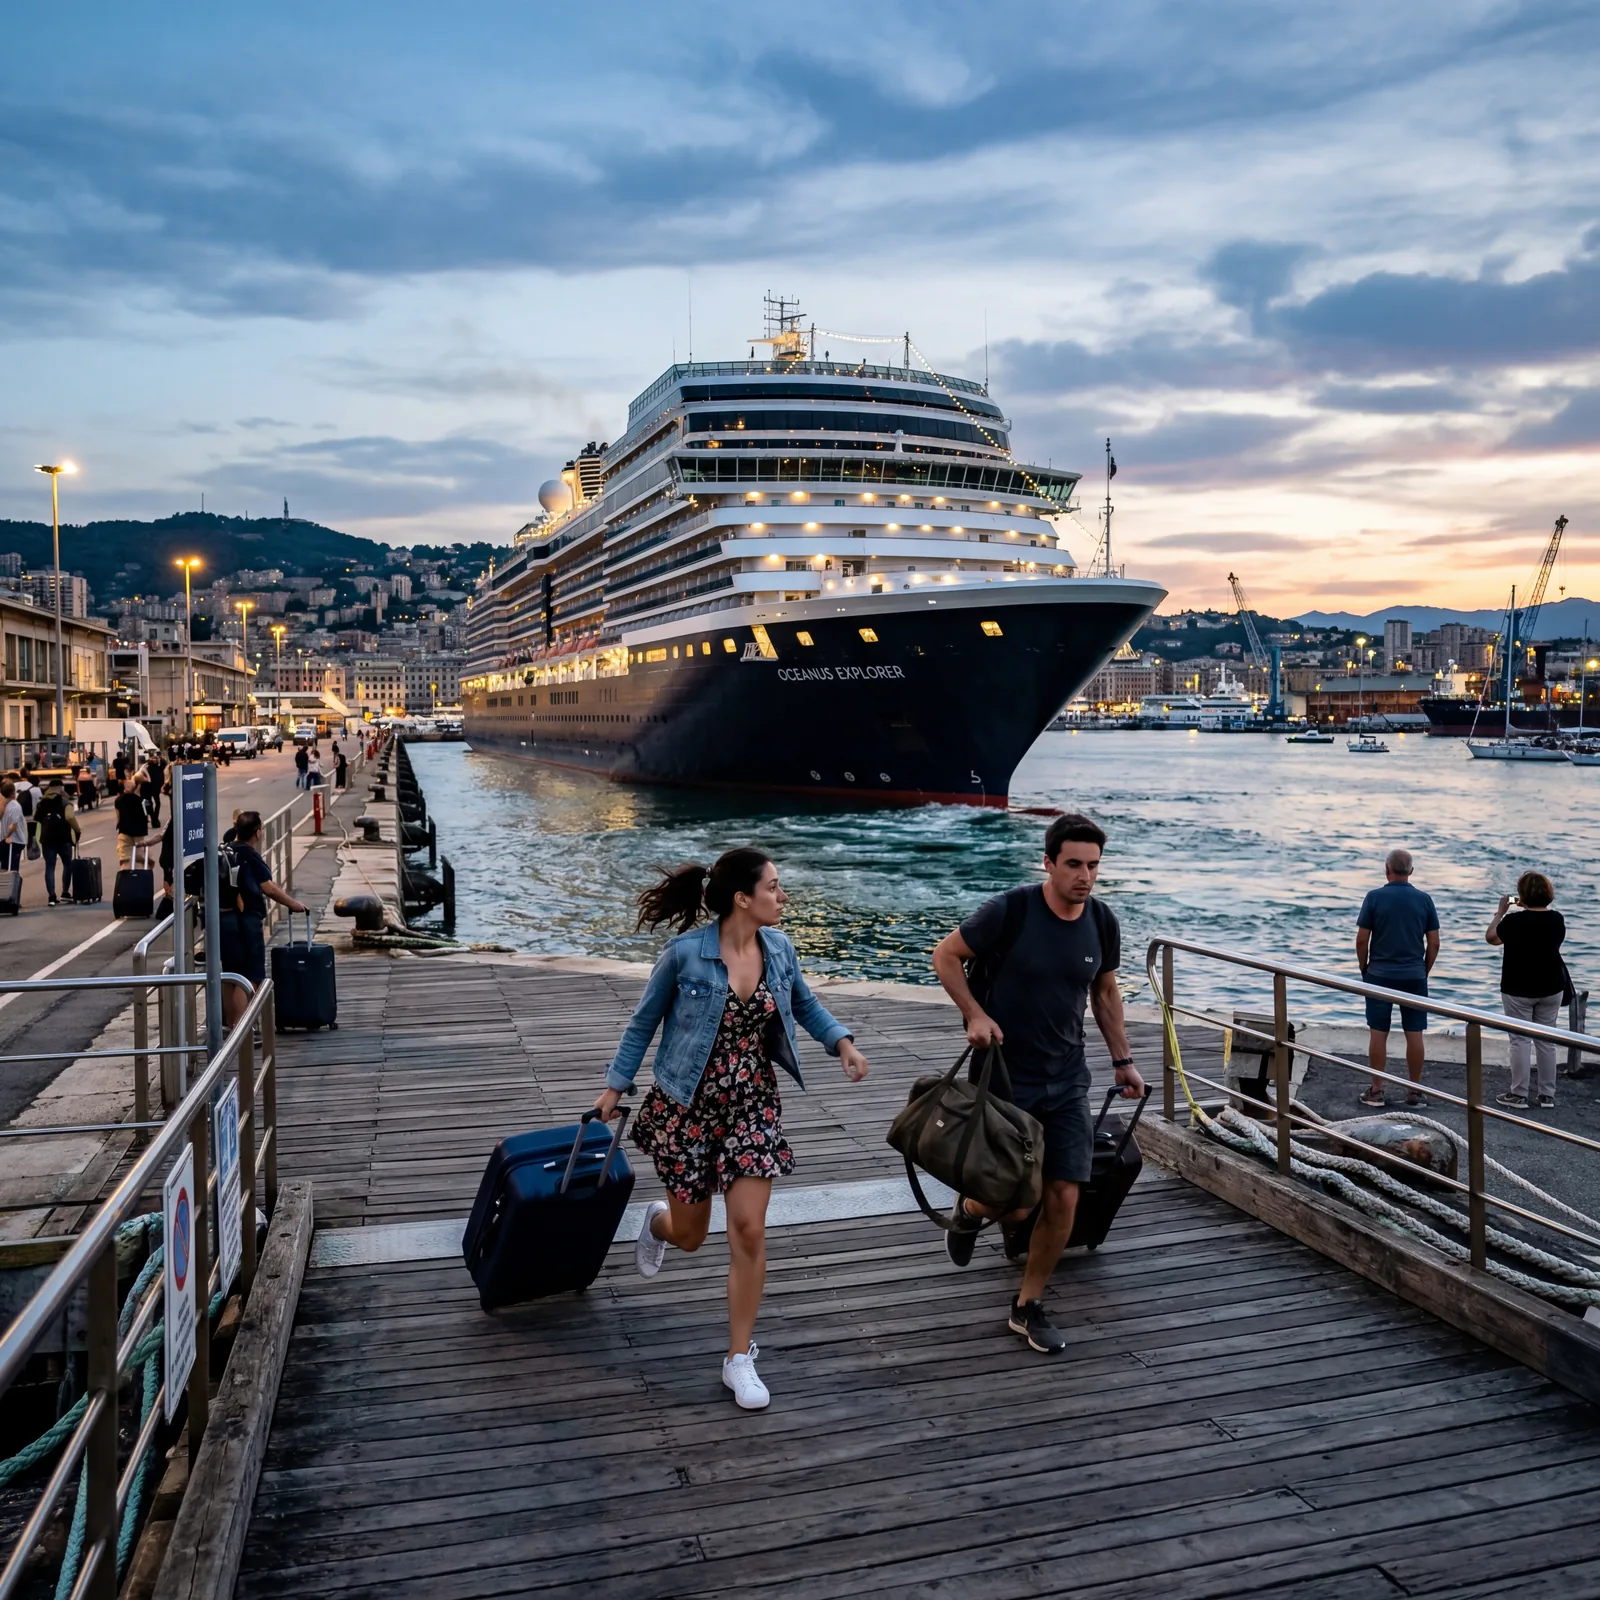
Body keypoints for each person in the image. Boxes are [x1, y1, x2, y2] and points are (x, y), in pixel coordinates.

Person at [593, 849, 869, 1411]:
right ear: (743, 899)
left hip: (752, 1104)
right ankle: (661, 1223)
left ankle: (738, 1358)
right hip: (685, 1106)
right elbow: (643, 1022)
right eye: (773, 887)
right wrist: (613, 1088)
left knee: (748, 1230)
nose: (782, 896)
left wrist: (842, 1042)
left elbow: (806, 1005)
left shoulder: (780, 950)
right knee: (693, 1236)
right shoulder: (686, 956)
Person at [931, 813, 1145, 1355]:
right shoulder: (1011, 910)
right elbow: (946, 955)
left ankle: (1026, 1305)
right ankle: (971, 1211)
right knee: (1014, 1203)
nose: (1085, 876)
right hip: (1004, 1078)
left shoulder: (1102, 921)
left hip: (1067, 1079)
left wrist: (1123, 1059)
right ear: (1048, 862)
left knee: (1064, 1197)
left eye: (1094, 866)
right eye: (1073, 864)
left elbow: (1104, 993)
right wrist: (975, 1015)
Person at [1356, 848, 1440, 1108]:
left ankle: (1377, 1090)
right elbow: (1434, 943)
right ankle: (1414, 1092)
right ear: (1411, 871)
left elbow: (1362, 940)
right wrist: (1423, 971)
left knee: (1378, 1032)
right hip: (1414, 974)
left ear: (1386, 869)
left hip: (1379, 974)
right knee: (1414, 1033)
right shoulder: (1424, 899)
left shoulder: (1374, 898)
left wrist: (1365, 969)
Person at [217, 811, 308, 1027]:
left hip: (223, 919)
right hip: (245, 922)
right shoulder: (250, 855)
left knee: (230, 975)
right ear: (258, 833)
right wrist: (294, 904)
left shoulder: (224, 850)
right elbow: (268, 888)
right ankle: (244, 1027)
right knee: (249, 975)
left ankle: (231, 1026)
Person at [1487, 872, 1567, 1110]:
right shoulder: (1557, 919)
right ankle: (1547, 1095)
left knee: (1520, 1040)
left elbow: (1491, 937)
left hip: (1518, 987)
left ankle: (1519, 1094)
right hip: (1551, 986)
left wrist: (1500, 912)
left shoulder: (1513, 922)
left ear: (1521, 896)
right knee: (1546, 1041)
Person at [34, 778, 78, 905]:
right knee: (67, 864)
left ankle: (52, 897)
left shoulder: (41, 803)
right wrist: (77, 830)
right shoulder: (65, 802)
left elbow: (35, 817)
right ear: (61, 787)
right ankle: (65, 892)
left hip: (47, 839)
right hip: (63, 838)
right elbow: (70, 817)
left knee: (50, 866)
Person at [113, 776, 150, 869]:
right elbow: (147, 817)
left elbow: (118, 817)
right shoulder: (142, 801)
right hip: (139, 832)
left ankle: (126, 877)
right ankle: (140, 875)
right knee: (140, 857)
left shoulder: (118, 801)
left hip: (124, 831)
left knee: (125, 857)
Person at [0, 781, 25, 873]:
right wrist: (7, 836)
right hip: (14, 841)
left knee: (5, 867)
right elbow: (13, 826)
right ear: (12, 792)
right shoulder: (15, 806)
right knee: (12, 869)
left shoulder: (4, 806)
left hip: (5, 841)